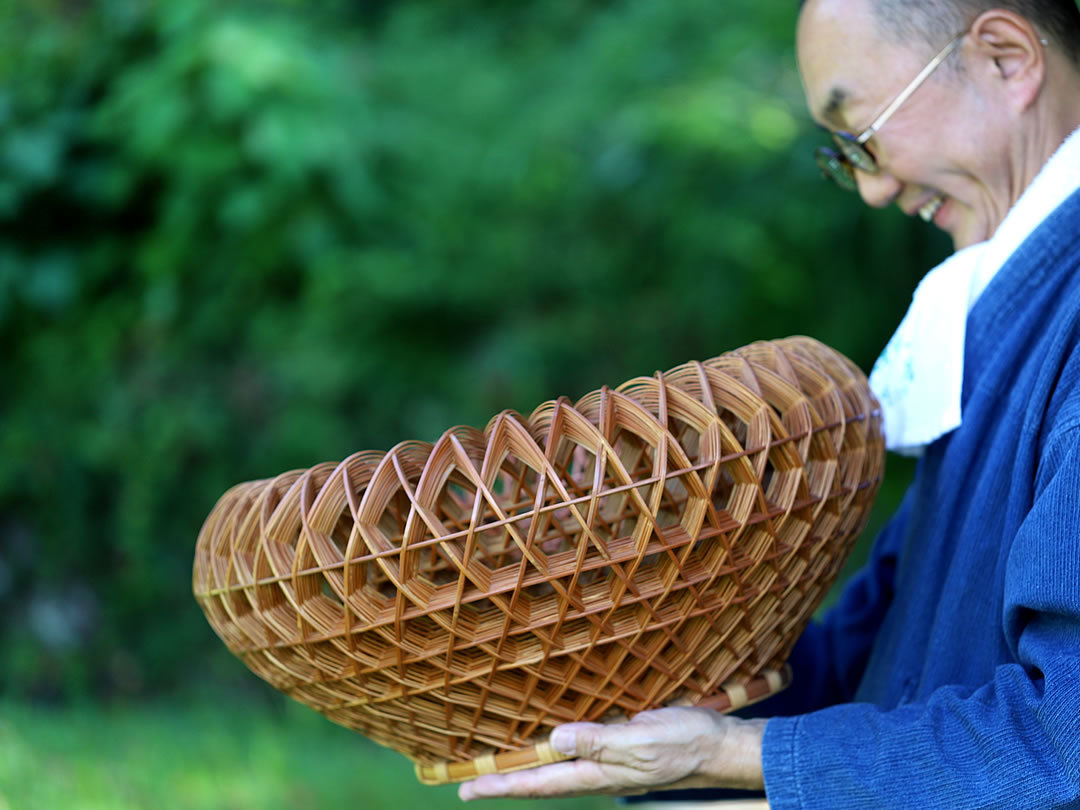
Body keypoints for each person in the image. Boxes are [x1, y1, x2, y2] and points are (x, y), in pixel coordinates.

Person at [458, 0, 1080, 806]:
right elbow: (867, 659)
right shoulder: (994, 317)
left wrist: (738, 754)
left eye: (862, 134)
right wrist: (616, 683)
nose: (872, 187)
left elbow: (1061, 737)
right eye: (844, 155)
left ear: (1005, 58)